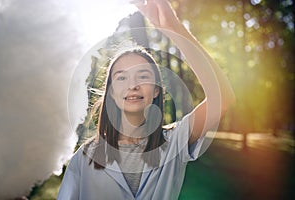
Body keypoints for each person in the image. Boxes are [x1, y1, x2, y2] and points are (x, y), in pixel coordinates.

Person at [57, 0, 235, 199]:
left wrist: (172, 28)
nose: (133, 84)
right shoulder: (83, 158)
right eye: (121, 77)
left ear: (157, 91)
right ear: (111, 93)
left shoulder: (174, 142)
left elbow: (223, 98)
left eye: (143, 76)